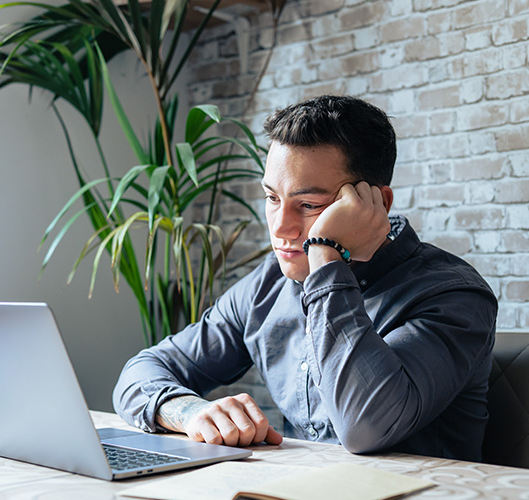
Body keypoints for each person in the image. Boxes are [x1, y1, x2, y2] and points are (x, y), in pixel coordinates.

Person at [112, 95, 497, 460]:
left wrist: (326, 255)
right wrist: (189, 412)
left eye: (309, 204)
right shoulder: (268, 287)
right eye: (272, 198)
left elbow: (365, 427)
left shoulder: (454, 296)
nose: (281, 227)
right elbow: (141, 372)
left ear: (376, 203)